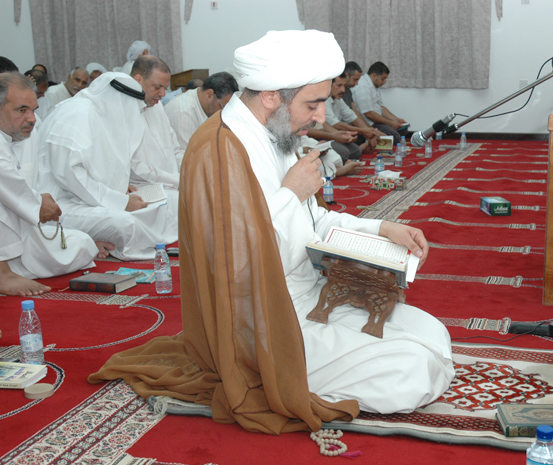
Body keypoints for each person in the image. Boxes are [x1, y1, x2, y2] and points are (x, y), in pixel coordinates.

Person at [88, 30, 453, 434]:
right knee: (413, 371)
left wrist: (383, 229)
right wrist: (290, 193)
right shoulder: (219, 149)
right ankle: (289, 376)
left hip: (308, 292)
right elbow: (236, 264)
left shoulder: (278, 134)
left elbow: (315, 220)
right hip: (260, 319)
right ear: (270, 97)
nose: (320, 117)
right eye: (312, 104)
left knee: (432, 334)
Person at [36, 72, 177, 261]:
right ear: (118, 100)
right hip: (61, 204)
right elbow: (69, 175)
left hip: (90, 198)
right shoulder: (77, 114)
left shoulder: (100, 116)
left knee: (170, 200)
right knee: (125, 224)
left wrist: (119, 187)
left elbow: (98, 165)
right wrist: (120, 202)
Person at [0, 73, 105, 296]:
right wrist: (39, 203)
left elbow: (27, 190)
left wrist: (40, 201)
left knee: (83, 244)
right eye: (21, 110)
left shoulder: (25, 134)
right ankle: (3, 273)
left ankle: (12, 267)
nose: (32, 118)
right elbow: (9, 188)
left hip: (24, 229)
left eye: (33, 110)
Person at [129, 56, 182, 233]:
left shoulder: (157, 106)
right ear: (138, 80)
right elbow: (135, 167)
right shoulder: (124, 110)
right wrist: (178, 181)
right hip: (144, 188)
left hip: (173, 183)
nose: (163, 94)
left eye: (165, 88)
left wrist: (191, 173)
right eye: (157, 87)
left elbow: (175, 149)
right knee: (177, 202)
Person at [165, 71, 238, 151]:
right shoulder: (184, 113)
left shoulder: (200, 101)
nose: (224, 112)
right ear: (209, 95)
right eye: (223, 106)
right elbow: (188, 155)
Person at [352, 61, 409, 143]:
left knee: (403, 129)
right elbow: (369, 114)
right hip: (370, 123)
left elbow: (381, 107)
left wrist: (396, 120)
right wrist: (391, 123)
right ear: (374, 75)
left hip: (377, 120)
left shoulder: (374, 86)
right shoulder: (363, 86)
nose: (384, 82)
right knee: (395, 136)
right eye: (383, 78)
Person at [325, 71, 382, 152]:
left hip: (340, 134)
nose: (343, 90)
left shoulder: (338, 99)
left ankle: (358, 149)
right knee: (350, 150)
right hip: (328, 136)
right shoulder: (323, 100)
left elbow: (352, 117)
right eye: (339, 85)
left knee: (357, 144)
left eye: (344, 86)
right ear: (328, 85)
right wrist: (362, 131)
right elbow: (335, 124)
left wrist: (370, 132)